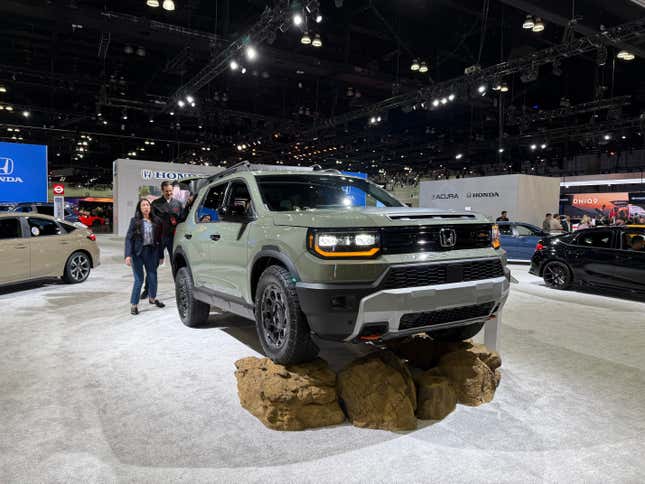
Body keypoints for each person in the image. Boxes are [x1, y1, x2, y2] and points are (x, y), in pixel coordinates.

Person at [140, 181, 184, 300]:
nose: (169, 193)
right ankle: (147, 289)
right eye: (166, 191)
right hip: (159, 238)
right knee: (152, 264)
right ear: (162, 190)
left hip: (173, 238)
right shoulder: (155, 204)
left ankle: (180, 289)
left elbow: (182, 220)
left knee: (177, 264)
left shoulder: (178, 204)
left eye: (170, 191)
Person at [125, 199, 166, 315]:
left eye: (147, 205)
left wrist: (161, 255)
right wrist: (127, 255)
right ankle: (134, 304)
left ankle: (152, 298)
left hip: (151, 252)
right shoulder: (135, 221)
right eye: (143, 205)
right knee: (139, 279)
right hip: (137, 253)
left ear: (150, 207)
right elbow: (129, 238)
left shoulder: (157, 221)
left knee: (152, 277)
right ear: (139, 208)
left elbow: (160, 239)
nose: (146, 207)